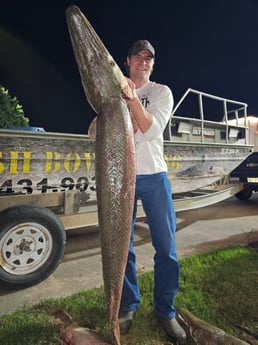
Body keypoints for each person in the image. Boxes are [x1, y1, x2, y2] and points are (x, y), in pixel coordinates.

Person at [88, 40, 186, 344]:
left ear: (152, 64)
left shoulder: (160, 92)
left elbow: (151, 129)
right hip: (120, 179)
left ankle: (165, 311)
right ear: (127, 61)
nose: (143, 62)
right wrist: (109, 108)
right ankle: (128, 306)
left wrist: (131, 98)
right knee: (123, 248)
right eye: (138, 57)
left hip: (154, 176)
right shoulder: (112, 93)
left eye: (149, 58)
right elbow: (93, 133)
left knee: (166, 249)